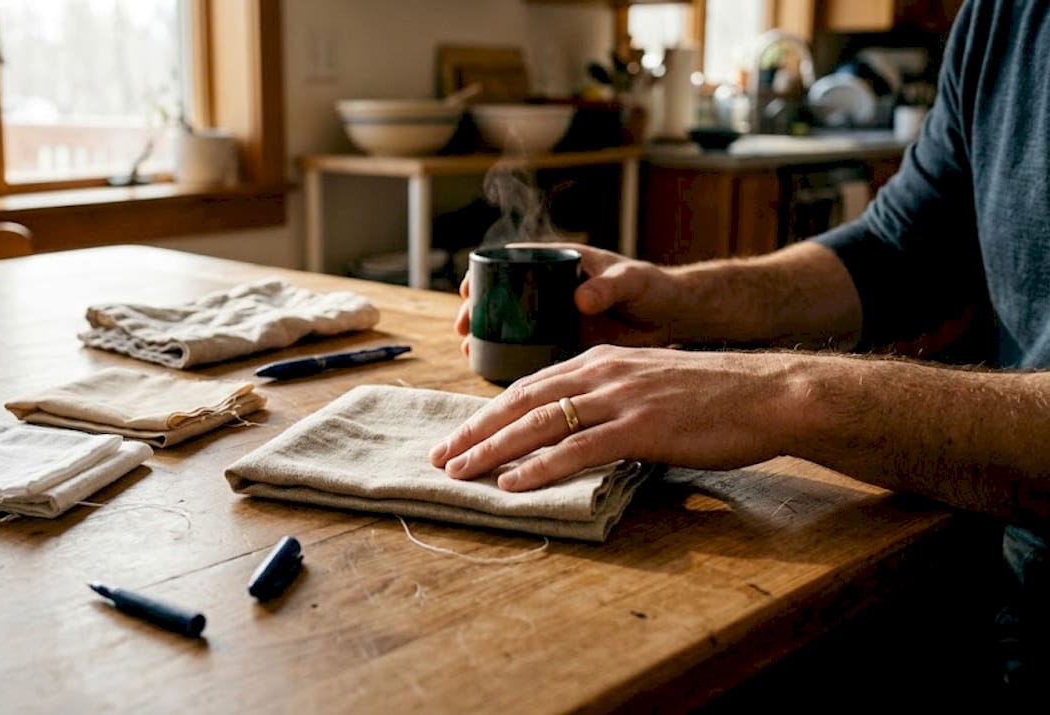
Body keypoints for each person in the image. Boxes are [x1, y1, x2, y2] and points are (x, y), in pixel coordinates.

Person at [429, 0, 1049, 699]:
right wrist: (678, 298)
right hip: (1000, 590)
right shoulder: (1001, 17)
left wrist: (782, 394)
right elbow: (894, 253)